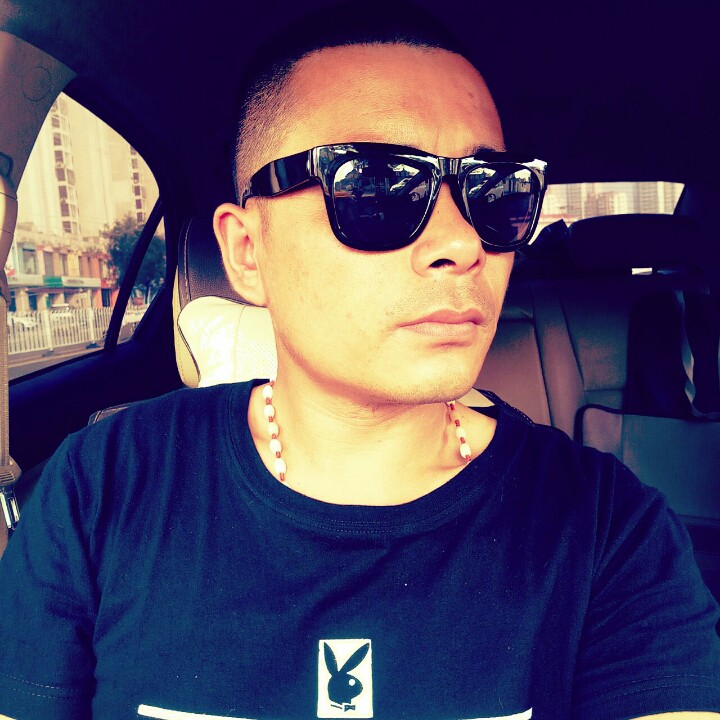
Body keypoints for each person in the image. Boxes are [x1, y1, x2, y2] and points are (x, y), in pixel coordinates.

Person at [0, 3, 719, 719]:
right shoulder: (101, 488)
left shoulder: (609, 530)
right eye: (377, 189)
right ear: (248, 252)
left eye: (493, 194)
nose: (463, 243)